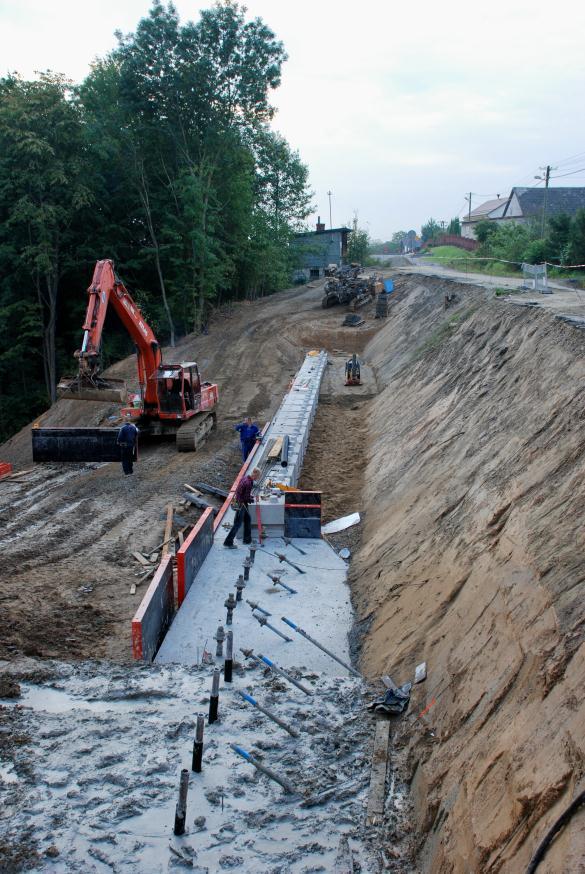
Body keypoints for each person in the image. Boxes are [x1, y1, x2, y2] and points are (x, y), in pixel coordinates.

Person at [223, 468, 261, 548]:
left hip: (239, 502)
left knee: (247, 520)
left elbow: (242, 492)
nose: (258, 478)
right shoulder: (249, 483)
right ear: (255, 474)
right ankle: (228, 542)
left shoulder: (245, 478)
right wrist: (252, 499)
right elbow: (246, 497)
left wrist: (249, 497)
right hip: (242, 504)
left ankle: (247, 540)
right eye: (258, 476)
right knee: (237, 523)